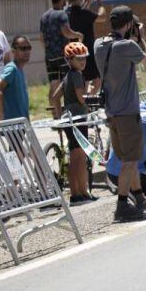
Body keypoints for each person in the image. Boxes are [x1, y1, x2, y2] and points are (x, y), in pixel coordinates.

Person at [94, 5, 146, 222]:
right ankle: (121, 205)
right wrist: (141, 38)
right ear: (129, 24)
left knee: (129, 158)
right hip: (128, 111)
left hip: (111, 112)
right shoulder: (127, 45)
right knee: (130, 161)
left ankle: (138, 199)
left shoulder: (98, 44)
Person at [54, 42, 97, 204]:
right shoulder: (78, 75)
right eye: (78, 59)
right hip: (78, 119)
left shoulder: (67, 76)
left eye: (84, 59)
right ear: (69, 60)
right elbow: (81, 98)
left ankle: (78, 193)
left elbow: (54, 97)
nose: (82, 62)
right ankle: (80, 194)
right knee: (79, 157)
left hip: (68, 118)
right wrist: (91, 91)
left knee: (75, 157)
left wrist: (59, 116)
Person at [39, 0, 82, 118]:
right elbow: (66, 32)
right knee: (66, 84)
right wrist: (78, 34)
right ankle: (69, 112)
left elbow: (41, 37)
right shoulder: (62, 14)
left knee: (53, 84)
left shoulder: (44, 16)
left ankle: (55, 114)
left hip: (49, 56)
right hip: (62, 55)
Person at [67, 0, 105, 93]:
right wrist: (100, 2)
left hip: (72, 52)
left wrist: (87, 1)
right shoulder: (83, 13)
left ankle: (85, 102)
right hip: (86, 52)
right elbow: (102, 17)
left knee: (83, 81)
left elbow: (82, 13)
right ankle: (87, 101)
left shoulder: (67, 13)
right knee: (97, 81)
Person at [0, 35, 31, 121]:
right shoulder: (12, 69)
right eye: (23, 48)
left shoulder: (19, 69)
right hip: (11, 125)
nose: (27, 51)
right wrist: (1, 115)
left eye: (28, 48)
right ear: (13, 51)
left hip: (21, 122)